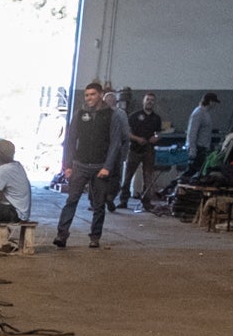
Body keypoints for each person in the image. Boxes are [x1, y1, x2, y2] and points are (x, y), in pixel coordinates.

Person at [53, 87, 115, 249]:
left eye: (93, 94)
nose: (89, 98)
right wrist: (67, 165)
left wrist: (107, 166)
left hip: (100, 166)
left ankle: (95, 237)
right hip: (80, 165)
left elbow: (115, 143)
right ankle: (62, 234)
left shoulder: (110, 115)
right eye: (87, 95)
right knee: (71, 200)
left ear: (100, 95)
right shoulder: (80, 114)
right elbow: (71, 140)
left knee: (99, 204)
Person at [125, 94, 164, 209]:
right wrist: (137, 139)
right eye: (148, 100)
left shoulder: (156, 118)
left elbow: (159, 132)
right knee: (128, 176)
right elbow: (127, 132)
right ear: (143, 101)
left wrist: (156, 137)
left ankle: (146, 202)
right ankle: (123, 200)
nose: (150, 102)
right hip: (134, 150)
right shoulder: (134, 116)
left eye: (152, 100)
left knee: (148, 177)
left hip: (149, 150)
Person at [185, 91, 221, 169]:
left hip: (202, 149)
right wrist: (192, 149)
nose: (215, 105)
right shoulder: (198, 113)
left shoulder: (205, 113)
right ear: (210, 101)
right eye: (214, 102)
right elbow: (192, 132)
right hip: (198, 149)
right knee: (194, 171)